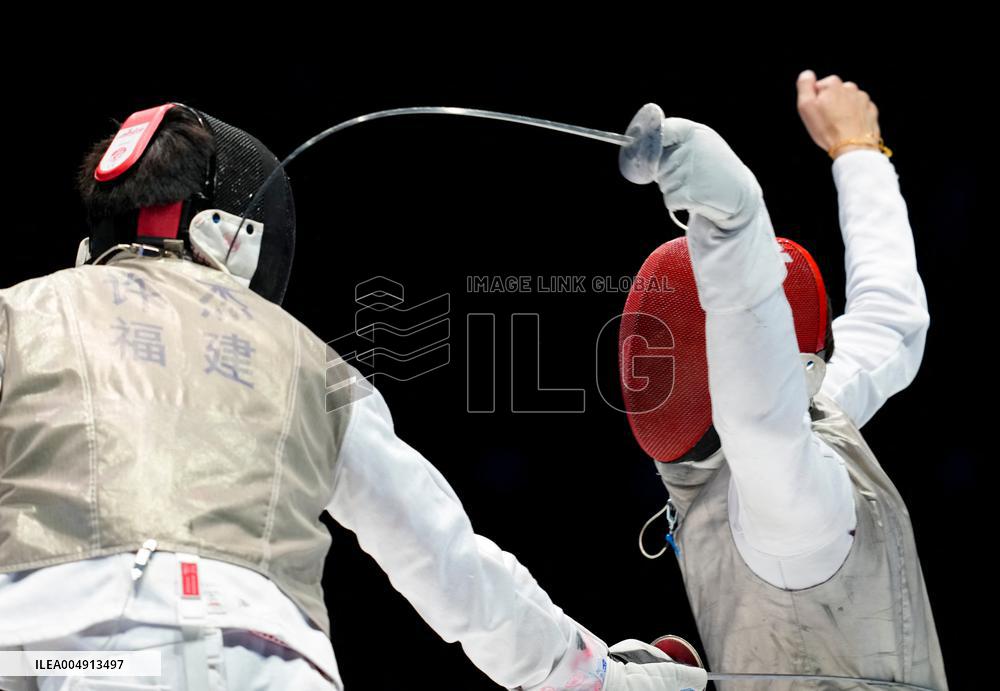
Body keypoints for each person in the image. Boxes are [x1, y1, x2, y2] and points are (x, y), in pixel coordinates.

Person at [0, 104, 708, 691]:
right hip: (249, 659)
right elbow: (446, 562)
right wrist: (605, 677)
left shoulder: (16, 316)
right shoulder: (305, 362)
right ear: (235, 237)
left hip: (48, 652)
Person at [616, 71, 947, 690]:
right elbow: (759, 421)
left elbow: (891, 323)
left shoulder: (757, 446)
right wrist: (733, 219)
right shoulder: (792, 505)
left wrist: (859, 153)